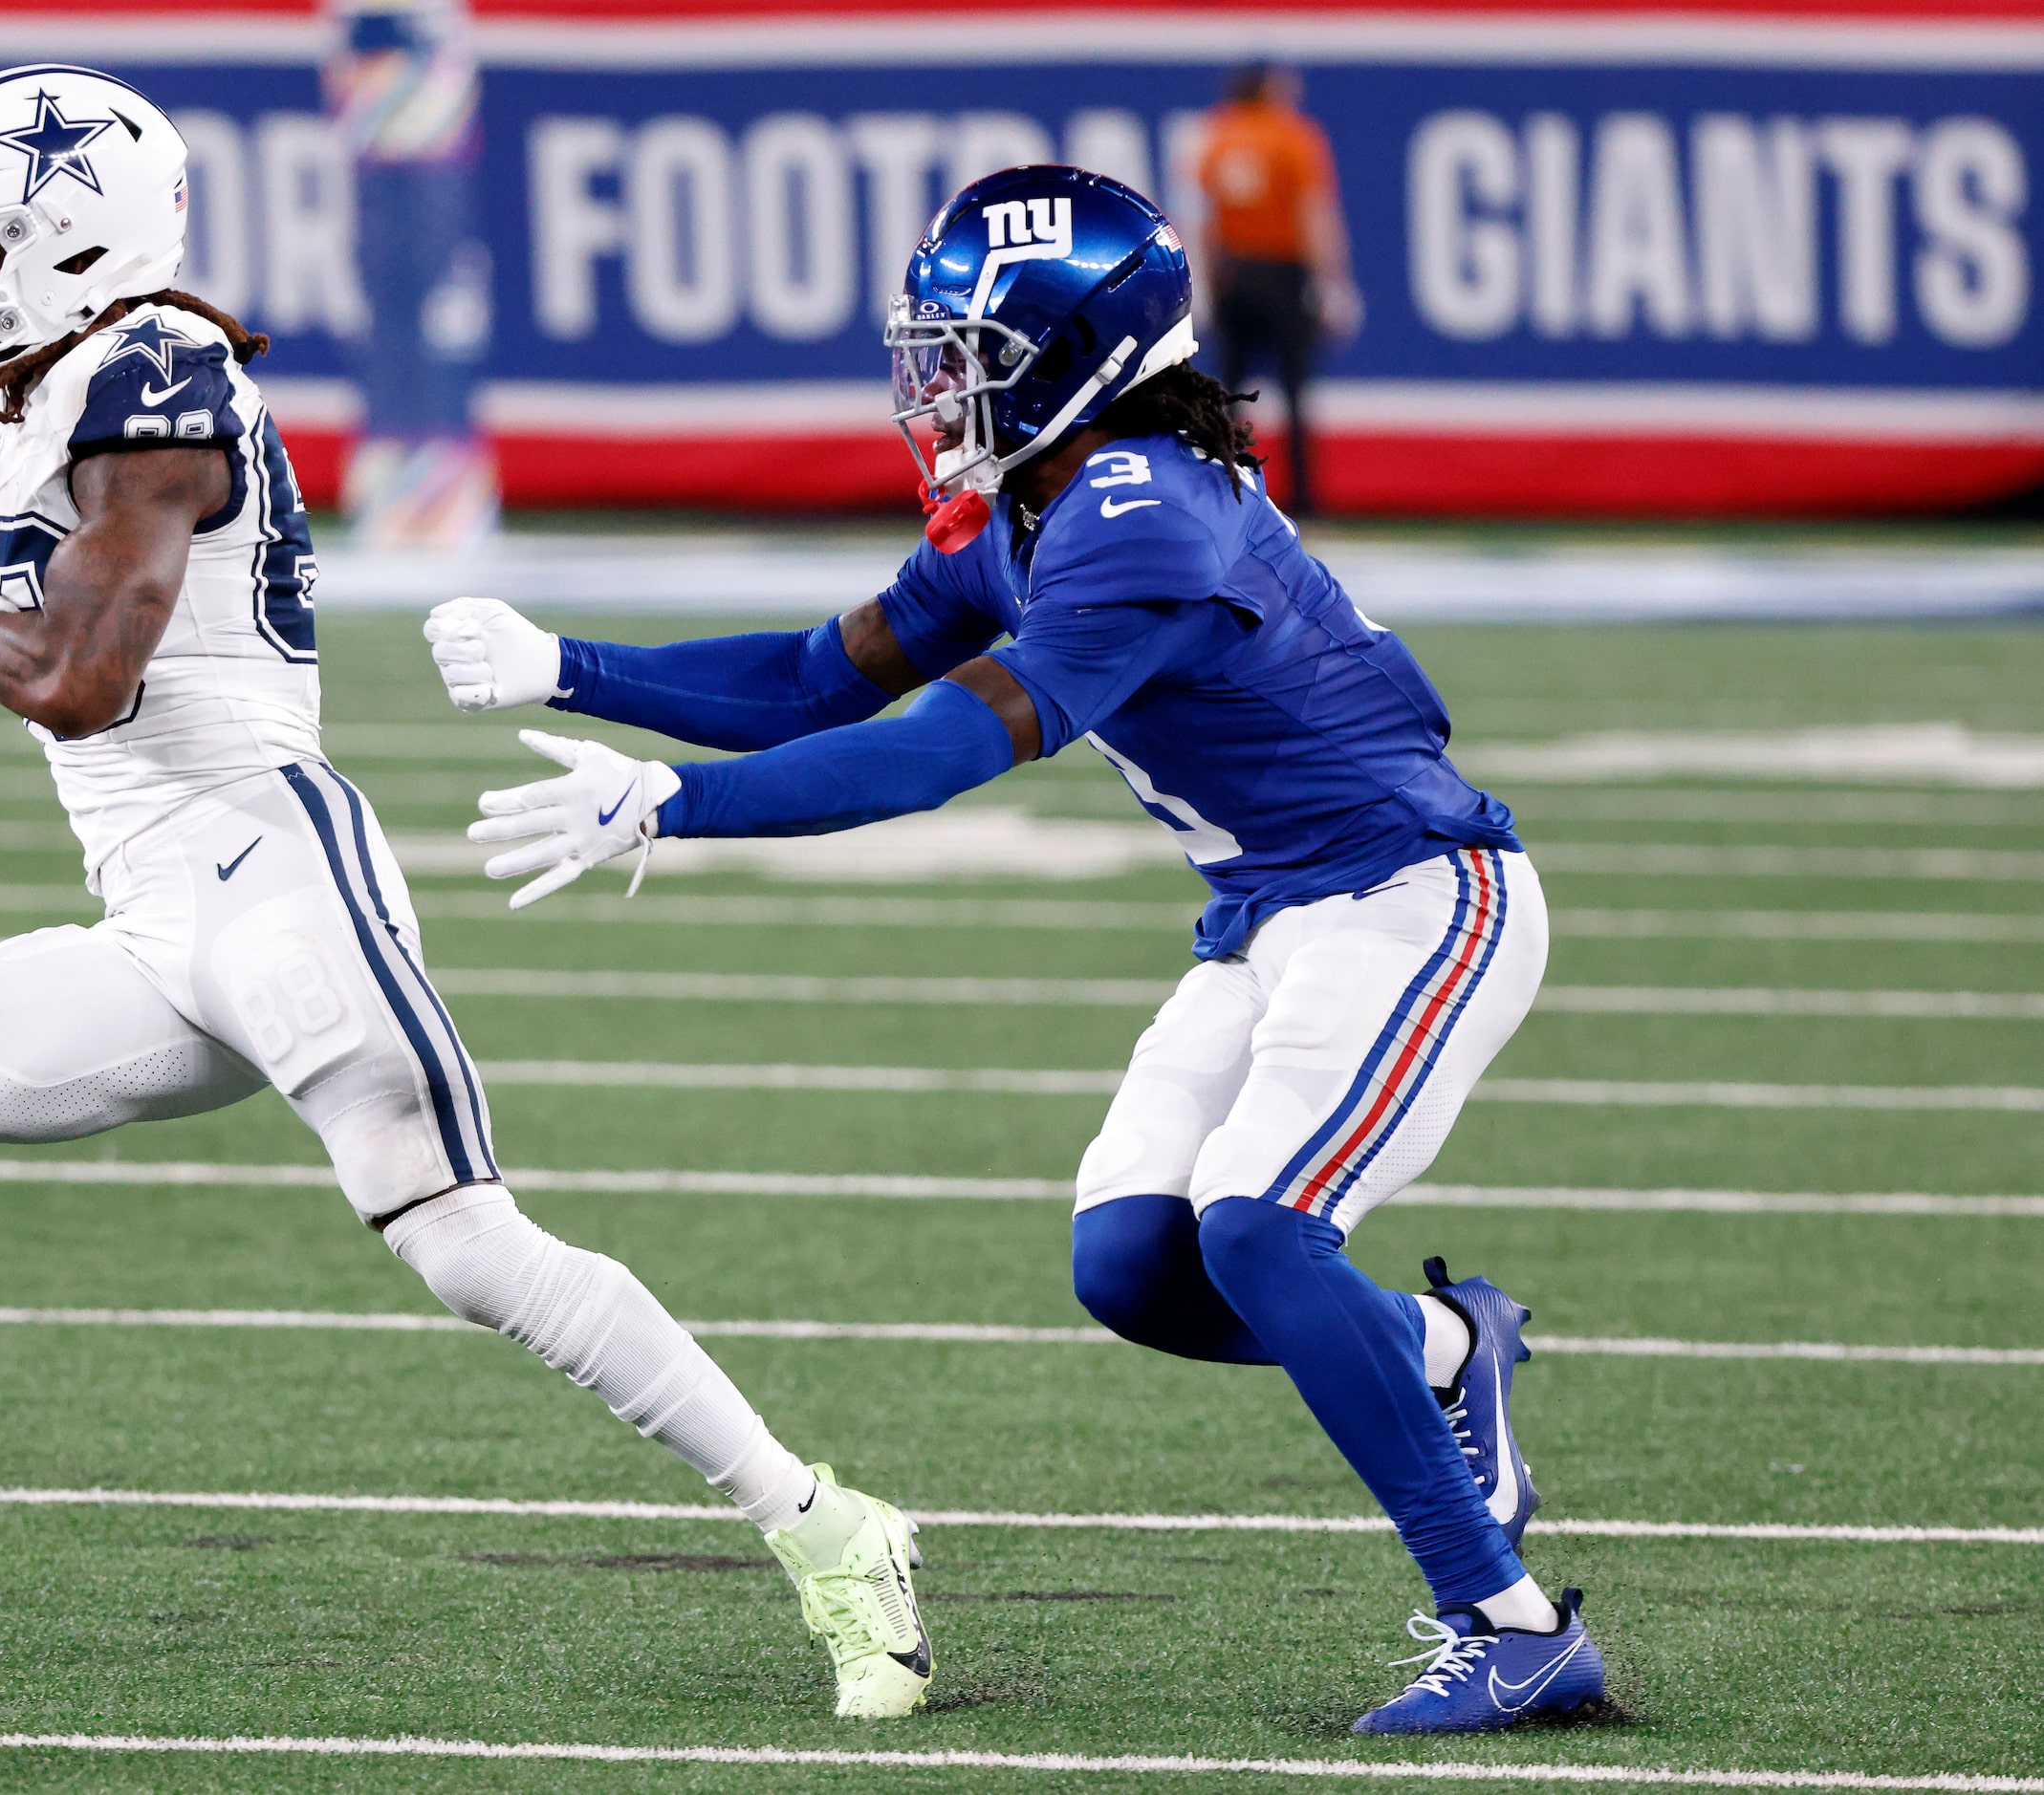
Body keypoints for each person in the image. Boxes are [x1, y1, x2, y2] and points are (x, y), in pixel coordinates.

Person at [0, 64, 933, 1722]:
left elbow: (78, 675)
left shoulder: (153, 372)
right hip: (156, 910)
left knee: (462, 1244)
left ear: (72, 247)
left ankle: (829, 1527)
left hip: (266, 865)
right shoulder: (42, 382)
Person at [419, 165, 1606, 1736]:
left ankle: (1511, 1624)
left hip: (1411, 894)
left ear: (1068, 356)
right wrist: (571, 666)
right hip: (1271, 910)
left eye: (963, 352)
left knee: (1257, 1225)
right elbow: (809, 678)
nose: (931, 385)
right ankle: (1452, 1347)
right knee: (1131, 1260)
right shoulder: (1038, 503)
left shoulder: (1134, 513)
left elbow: (924, 756)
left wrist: (671, 806)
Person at [1195, 63, 1358, 518]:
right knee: (1295, 392)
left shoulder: (1217, 135)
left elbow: (1205, 219)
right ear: (1268, 87)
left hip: (1234, 273)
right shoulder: (1294, 136)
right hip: (1284, 273)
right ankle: (1304, 501)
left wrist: (1208, 283)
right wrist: (1333, 282)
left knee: (1227, 396)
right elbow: (1313, 213)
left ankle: (1222, 494)